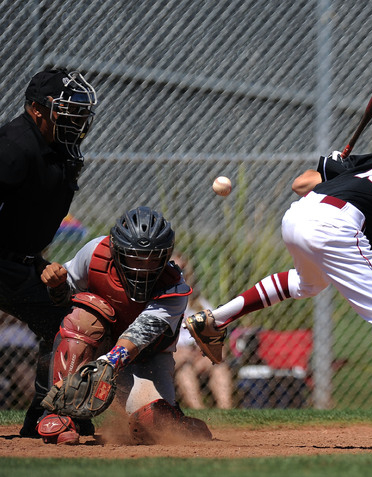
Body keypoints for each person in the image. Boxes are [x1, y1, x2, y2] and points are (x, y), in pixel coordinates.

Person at [185, 136, 372, 452]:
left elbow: (301, 184)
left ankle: (217, 319)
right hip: (336, 225)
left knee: (308, 283)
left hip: (299, 216)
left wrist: (338, 166)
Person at [36, 207, 212, 445]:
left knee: (151, 423)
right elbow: (66, 294)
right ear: (116, 250)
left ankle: (176, 418)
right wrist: (56, 284)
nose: (143, 264)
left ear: (166, 255)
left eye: (152, 257)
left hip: (146, 358)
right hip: (101, 341)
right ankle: (60, 414)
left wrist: (107, 363)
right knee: (83, 319)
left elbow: (139, 336)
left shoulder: (175, 288)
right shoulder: (96, 252)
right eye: (134, 255)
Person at [0, 68, 98, 437]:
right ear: (38, 109)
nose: (78, 116)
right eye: (68, 107)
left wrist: (37, 263)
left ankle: (46, 416)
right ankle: (49, 416)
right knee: (61, 323)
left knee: (66, 322)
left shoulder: (59, 151)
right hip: (4, 261)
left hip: (17, 260)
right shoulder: (13, 146)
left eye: (80, 109)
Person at [171, 252, 233, 410]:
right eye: (174, 269)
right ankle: (199, 412)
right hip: (173, 357)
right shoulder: (160, 304)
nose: (180, 274)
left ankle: (226, 413)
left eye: (183, 270)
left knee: (218, 361)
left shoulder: (199, 304)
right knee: (184, 365)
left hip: (196, 355)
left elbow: (214, 336)